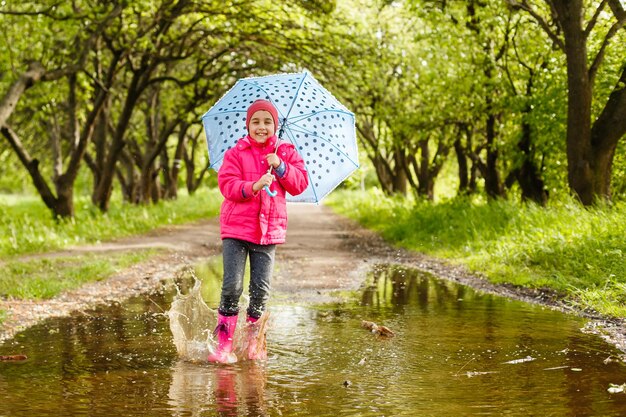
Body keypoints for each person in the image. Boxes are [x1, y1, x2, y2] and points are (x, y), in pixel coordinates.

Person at [208, 99, 309, 363]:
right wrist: (253, 186)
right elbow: (227, 185)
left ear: (275, 125)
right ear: (248, 124)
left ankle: (254, 342)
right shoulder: (236, 153)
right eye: (256, 121)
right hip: (236, 229)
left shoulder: (284, 152)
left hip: (268, 231)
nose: (261, 126)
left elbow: (300, 184)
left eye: (267, 121)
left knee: (260, 290)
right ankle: (224, 345)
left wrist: (281, 166)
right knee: (232, 286)